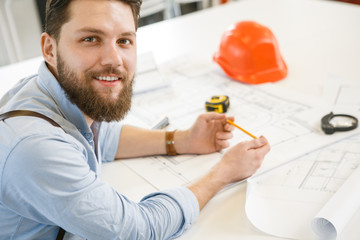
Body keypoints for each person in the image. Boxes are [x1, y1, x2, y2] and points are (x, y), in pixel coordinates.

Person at [0, 0, 270, 239]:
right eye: (91, 39)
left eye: (124, 40)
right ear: (49, 48)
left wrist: (183, 140)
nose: (113, 59)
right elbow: (136, 230)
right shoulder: (34, 147)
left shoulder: (48, 89)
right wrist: (223, 173)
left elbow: (100, 135)